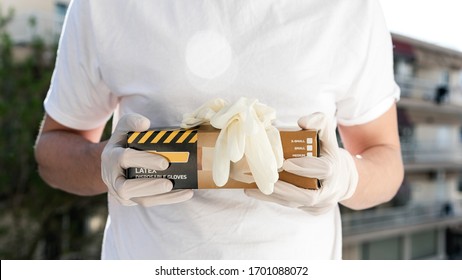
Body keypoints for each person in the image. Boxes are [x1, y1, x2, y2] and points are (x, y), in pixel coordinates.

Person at [34, 0, 404, 259]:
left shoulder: (349, 8)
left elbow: (385, 160)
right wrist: (102, 164)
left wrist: (348, 178)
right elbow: (52, 152)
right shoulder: (107, 5)